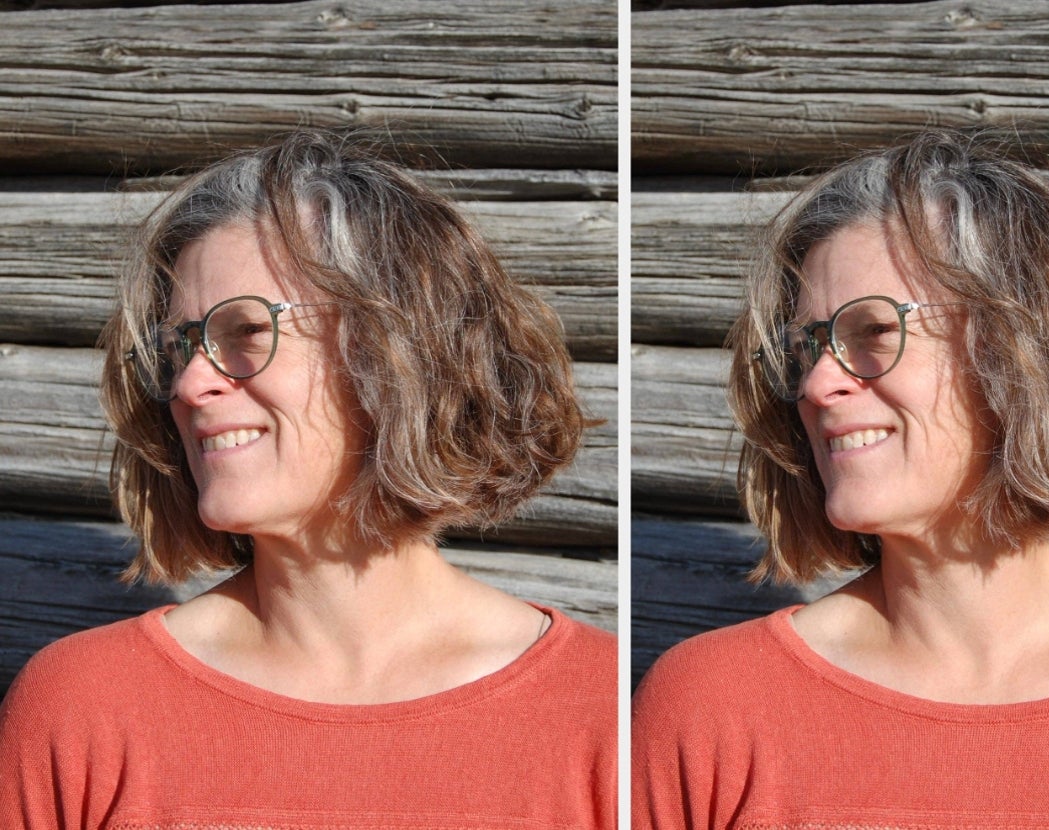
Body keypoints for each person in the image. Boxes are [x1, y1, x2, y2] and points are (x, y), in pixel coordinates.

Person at [632, 130, 1049, 827]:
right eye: (807, 347)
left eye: (873, 333)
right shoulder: (716, 708)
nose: (816, 383)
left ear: (1025, 350)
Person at [0, 130, 616, 828]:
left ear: (397, 350)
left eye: (247, 333)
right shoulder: (87, 710)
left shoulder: (597, 713)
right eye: (181, 347)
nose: (190, 383)